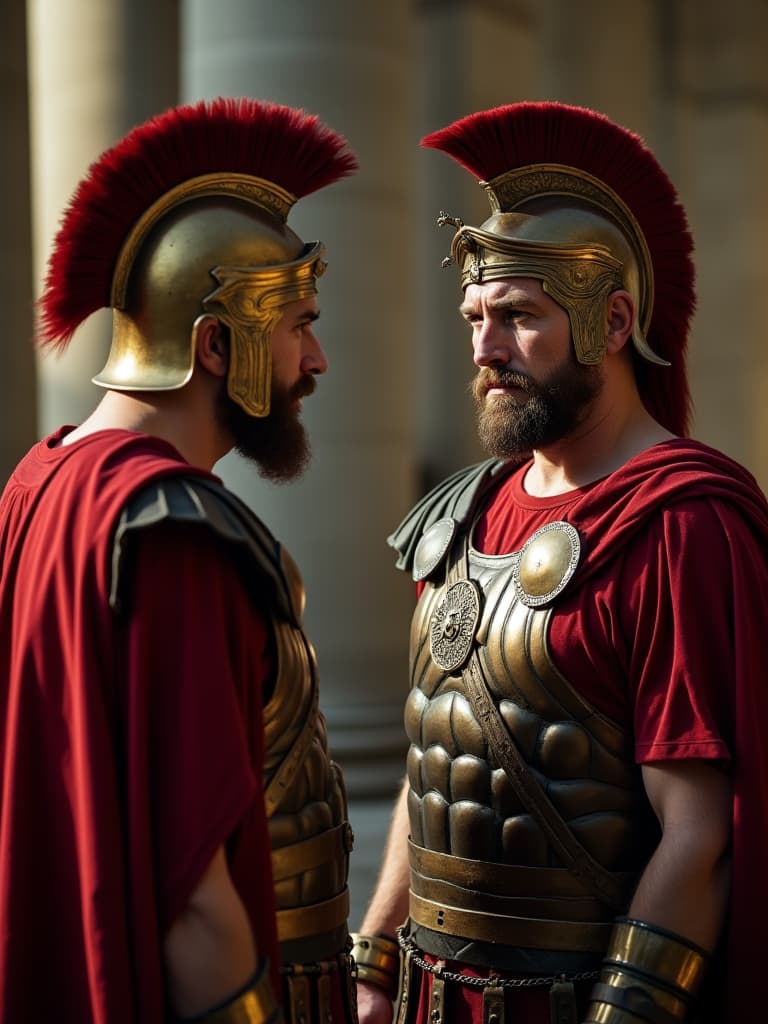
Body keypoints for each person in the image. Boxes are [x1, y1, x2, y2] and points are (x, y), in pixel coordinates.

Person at [351, 101, 768, 1024]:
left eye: (517, 317)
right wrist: (376, 964)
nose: (483, 348)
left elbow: (701, 838)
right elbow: (433, 753)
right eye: (474, 316)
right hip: (429, 994)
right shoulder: (465, 510)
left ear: (612, 321)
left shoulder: (678, 523)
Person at [0, 97, 359, 1024]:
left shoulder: (40, 482)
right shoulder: (173, 533)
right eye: (298, 326)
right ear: (214, 344)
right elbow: (196, 903)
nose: (315, 360)